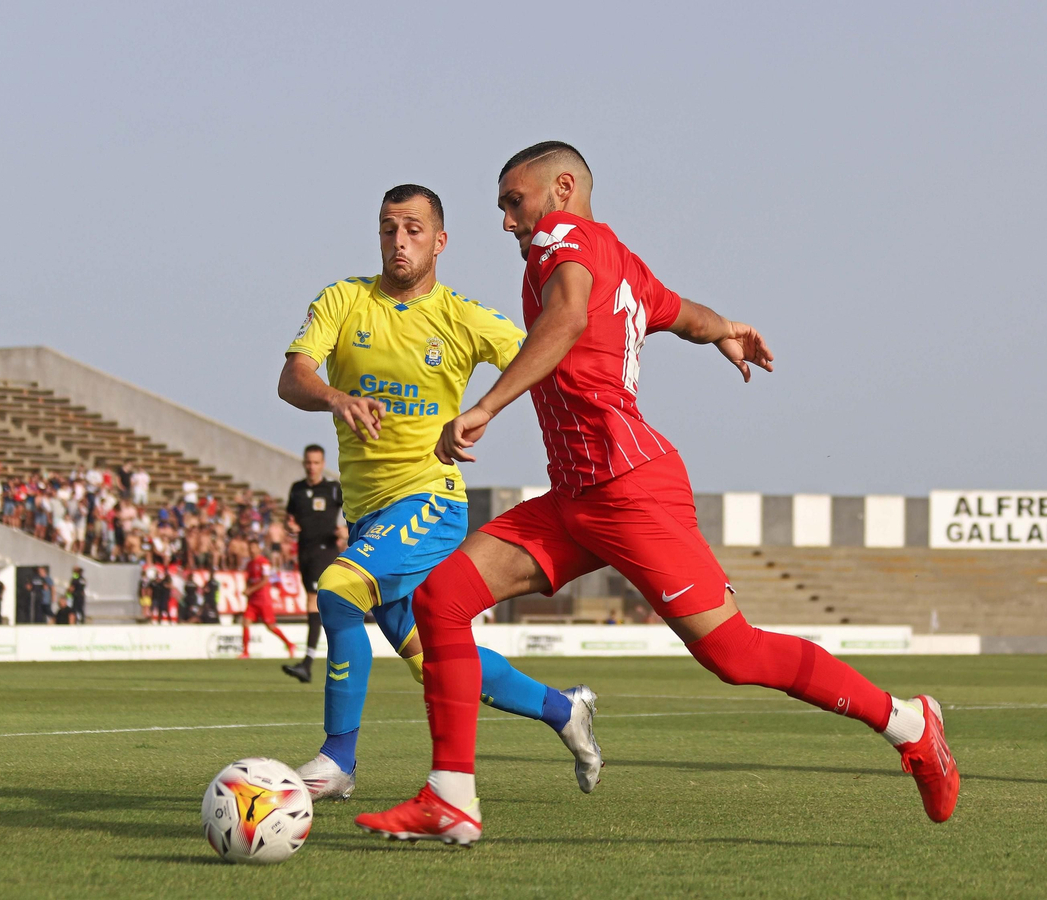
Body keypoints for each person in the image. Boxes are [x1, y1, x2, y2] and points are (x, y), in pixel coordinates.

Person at [356, 145, 956, 845]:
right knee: (441, 599)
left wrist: (488, 404)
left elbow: (570, 317)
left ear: (563, 188)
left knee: (734, 655)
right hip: (578, 496)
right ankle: (451, 799)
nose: (509, 222)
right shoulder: (622, 259)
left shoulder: (563, 240)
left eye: (513, 203)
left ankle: (911, 724)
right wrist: (726, 330)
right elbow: (681, 312)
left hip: (628, 489)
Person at [278, 183, 599, 803]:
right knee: (439, 659)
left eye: (414, 230)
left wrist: (486, 410)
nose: (399, 242)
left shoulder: (461, 317)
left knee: (340, 591)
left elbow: (549, 352)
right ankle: (565, 710)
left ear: (440, 241)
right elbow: (293, 375)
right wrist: (336, 398)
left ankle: (337, 758)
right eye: (388, 229)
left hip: (430, 500)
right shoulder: (344, 301)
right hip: (371, 514)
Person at [282, 444, 346, 683]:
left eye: (316, 463)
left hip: (325, 550)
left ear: (323, 464)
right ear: (304, 463)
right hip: (304, 551)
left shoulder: (331, 489)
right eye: (308, 462)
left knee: (314, 600)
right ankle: (318, 661)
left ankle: (308, 664)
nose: (312, 467)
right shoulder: (297, 490)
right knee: (319, 603)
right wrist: (291, 527)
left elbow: (353, 509)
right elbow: (290, 518)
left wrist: (347, 530)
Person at [240, 549, 295, 658]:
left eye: (254, 548)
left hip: (263, 599)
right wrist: (247, 589)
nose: (252, 551)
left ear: (258, 549)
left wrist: (251, 590)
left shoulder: (264, 562)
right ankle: (245, 652)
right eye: (250, 548)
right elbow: (249, 579)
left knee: (270, 626)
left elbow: (265, 580)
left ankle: (290, 644)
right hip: (253, 600)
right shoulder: (249, 564)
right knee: (245, 622)